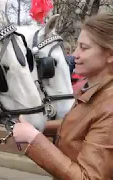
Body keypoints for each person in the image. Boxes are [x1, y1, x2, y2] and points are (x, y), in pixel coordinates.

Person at [13, 13, 113, 179]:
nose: (74, 55)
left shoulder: (109, 106)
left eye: (84, 48)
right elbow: (81, 127)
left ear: (110, 55)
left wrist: (34, 139)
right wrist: (38, 127)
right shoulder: (97, 90)